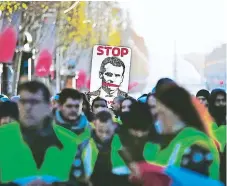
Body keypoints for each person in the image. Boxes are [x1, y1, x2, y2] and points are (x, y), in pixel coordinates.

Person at [0, 81, 78, 185]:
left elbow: (81, 181)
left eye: (34, 102)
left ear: (48, 106)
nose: (27, 108)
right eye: (23, 102)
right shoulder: (3, 137)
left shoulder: (69, 141)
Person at [152, 85, 220, 180]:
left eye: (160, 113)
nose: (158, 119)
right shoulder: (172, 143)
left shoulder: (197, 144)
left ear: (174, 112)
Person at [72, 110, 116, 186]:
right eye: (100, 131)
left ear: (114, 126)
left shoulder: (121, 141)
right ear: (94, 125)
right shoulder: (84, 142)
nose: (104, 136)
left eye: (108, 131)